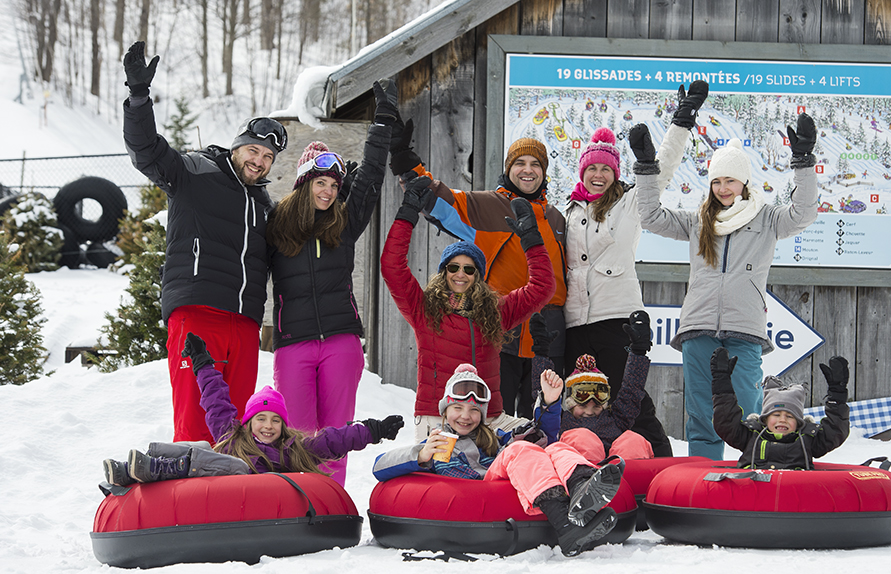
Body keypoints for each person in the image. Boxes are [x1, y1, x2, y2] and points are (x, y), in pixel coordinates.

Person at [634, 80, 820, 459]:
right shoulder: (698, 220)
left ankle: (752, 470)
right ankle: (704, 477)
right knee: (702, 411)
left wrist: (802, 164)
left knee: (749, 411)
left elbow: (803, 213)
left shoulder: (767, 219)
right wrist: (646, 169)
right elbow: (651, 216)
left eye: (729, 180)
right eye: (716, 181)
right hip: (699, 326)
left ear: (744, 182)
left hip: (745, 329)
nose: (722, 188)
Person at [122, 41, 286, 443]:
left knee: (237, 432)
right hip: (198, 314)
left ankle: (230, 504)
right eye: (253, 149)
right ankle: (186, 501)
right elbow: (146, 151)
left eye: (268, 157)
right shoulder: (196, 172)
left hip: (245, 325)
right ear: (236, 147)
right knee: (196, 424)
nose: (259, 161)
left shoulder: (264, 205)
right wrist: (139, 98)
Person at [265, 80, 397, 486]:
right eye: (320, 182)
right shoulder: (277, 226)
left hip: (340, 341)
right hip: (293, 345)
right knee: (298, 434)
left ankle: (331, 502)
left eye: (335, 185)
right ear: (305, 182)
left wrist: (383, 121)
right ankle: (298, 500)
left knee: (336, 432)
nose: (328, 191)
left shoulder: (345, 223)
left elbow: (372, 176)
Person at [389, 130, 567, 419]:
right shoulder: (486, 206)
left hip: (548, 335)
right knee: (498, 421)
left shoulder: (557, 218)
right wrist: (404, 160)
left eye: (536, 164)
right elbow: (439, 199)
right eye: (520, 162)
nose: (528, 170)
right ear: (508, 169)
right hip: (502, 330)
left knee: (543, 421)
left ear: (544, 172)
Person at [372, 363, 623, 557]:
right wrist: (421, 455)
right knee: (519, 450)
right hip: (479, 489)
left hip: (501, 478)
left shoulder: (494, 438)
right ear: (445, 410)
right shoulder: (436, 444)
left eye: (473, 411)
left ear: (481, 415)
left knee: (554, 446)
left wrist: (549, 401)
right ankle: (565, 524)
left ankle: (582, 489)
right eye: (458, 408)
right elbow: (379, 466)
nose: (465, 417)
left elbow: (538, 435)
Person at [103, 333, 404, 485]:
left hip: (250, 497)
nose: (268, 425)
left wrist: (372, 430)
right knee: (195, 445)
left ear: (284, 426)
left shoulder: (293, 449)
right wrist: (202, 362)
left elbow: (332, 441)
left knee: (236, 467)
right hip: (211, 489)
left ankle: (155, 468)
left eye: (275, 420)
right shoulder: (231, 435)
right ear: (248, 422)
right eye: (261, 418)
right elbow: (215, 399)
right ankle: (136, 468)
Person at [563, 126, 671, 457]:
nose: (598, 175)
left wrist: (680, 124)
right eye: (592, 168)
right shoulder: (568, 211)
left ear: (615, 173)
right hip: (574, 324)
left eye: (606, 169)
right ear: (583, 171)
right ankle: (586, 465)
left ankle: (659, 464)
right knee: (578, 404)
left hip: (615, 320)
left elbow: (661, 174)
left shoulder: (628, 204)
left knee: (632, 400)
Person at [529, 311, 656, 463]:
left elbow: (632, 390)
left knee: (633, 440)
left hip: (617, 470)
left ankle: (628, 478)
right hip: (577, 469)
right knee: (582, 438)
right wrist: (541, 353)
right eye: (582, 397)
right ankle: (587, 481)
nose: (589, 409)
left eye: (598, 399)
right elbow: (544, 402)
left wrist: (638, 352)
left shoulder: (617, 419)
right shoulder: (561, 422)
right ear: (570, 401)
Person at [711, 348, 850, 469]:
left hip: (794, 493)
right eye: (776, 415)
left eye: (790, 416)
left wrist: (837, 396)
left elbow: (836, 431)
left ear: (799, 422)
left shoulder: (808, 438)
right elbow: (726, 422)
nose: (782, 420)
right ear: (765, 419)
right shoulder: (750, 435)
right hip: (753, 492)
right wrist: (721, 384)